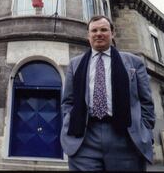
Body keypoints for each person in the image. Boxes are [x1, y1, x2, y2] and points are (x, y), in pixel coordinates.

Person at [60, 15, 155, 171]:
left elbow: (146, 101)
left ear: (112, 33)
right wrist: (68, 123)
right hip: (84, 138)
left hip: (125, 137)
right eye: (94, 30)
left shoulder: (134, 62)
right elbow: (68, 101)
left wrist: (145, 128)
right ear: (88, 35)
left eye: (104, 29)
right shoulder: (75, 64)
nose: (99, 33)